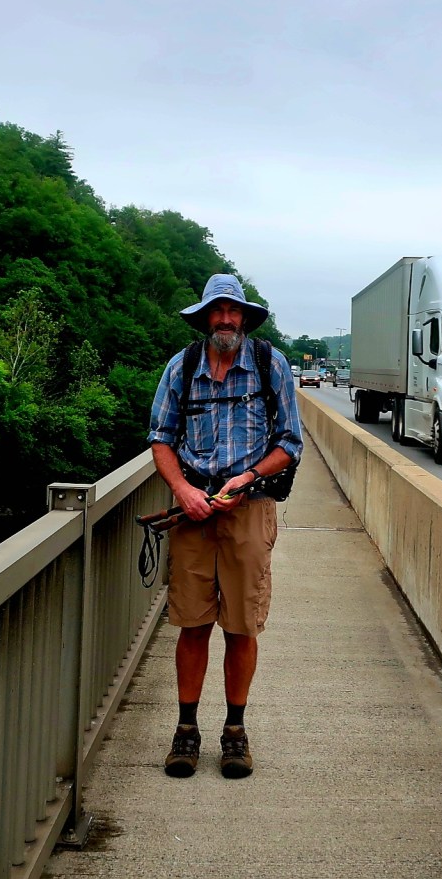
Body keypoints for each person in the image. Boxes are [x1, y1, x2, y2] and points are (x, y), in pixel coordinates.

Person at [147, 274, 303, 779]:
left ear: (244, 318)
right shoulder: (181, 367)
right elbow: (161, 438)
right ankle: (186, 731)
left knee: (241, 626)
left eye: (233, 311)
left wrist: (248, 477)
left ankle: (235, 732)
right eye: (218, 311)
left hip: (249, 509)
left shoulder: (270, 364)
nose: (226, 320)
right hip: (193, 512)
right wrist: (183, 490)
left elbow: (290, 442)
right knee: (192, 625)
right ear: (205, 319)